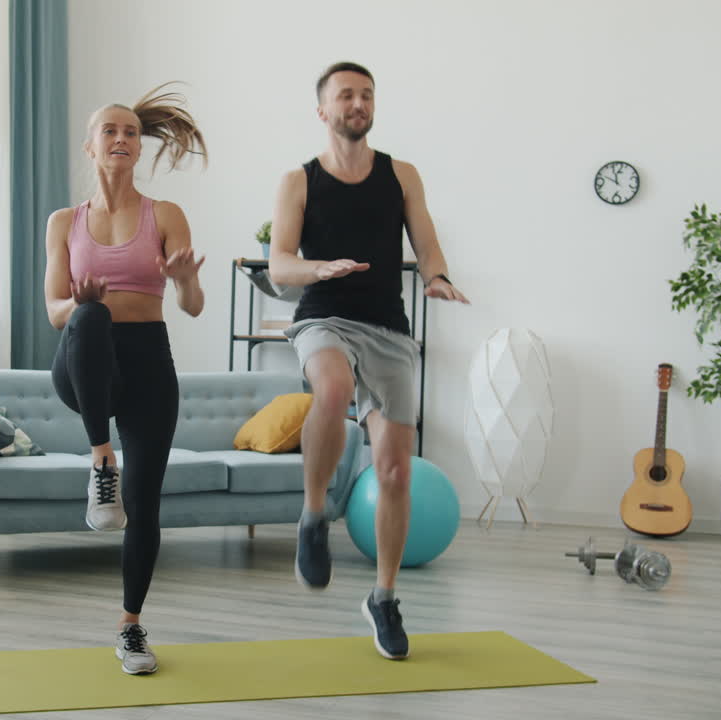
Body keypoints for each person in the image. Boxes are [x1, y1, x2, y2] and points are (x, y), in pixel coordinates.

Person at [268, 62, 470, 660]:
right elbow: (279, 264)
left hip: (388, 330)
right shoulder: (299, 181)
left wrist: (435, 275)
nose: (358, 103)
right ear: (323, 110)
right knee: (331, 391)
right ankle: (312, 517)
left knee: (394, 473)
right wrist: (319, 269)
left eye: (366, 95)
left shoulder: (401, 175)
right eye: (345, 95)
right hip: (323, 315)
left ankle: (383, 597)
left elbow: (426, 242)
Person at [43, 83, 207, 675]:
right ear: (90, 147)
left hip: (147, 361)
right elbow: (54, 310)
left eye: (130, 132)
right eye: (109, 131)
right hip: (84, 361)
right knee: (88, 314)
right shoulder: (65, 222)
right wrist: (81, 301)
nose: (121, 138)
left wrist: (184, 278)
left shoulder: (165, 215)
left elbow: (191, 306)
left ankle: (131, 626)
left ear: (139, 149)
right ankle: (99, 460)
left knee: (144, 503)